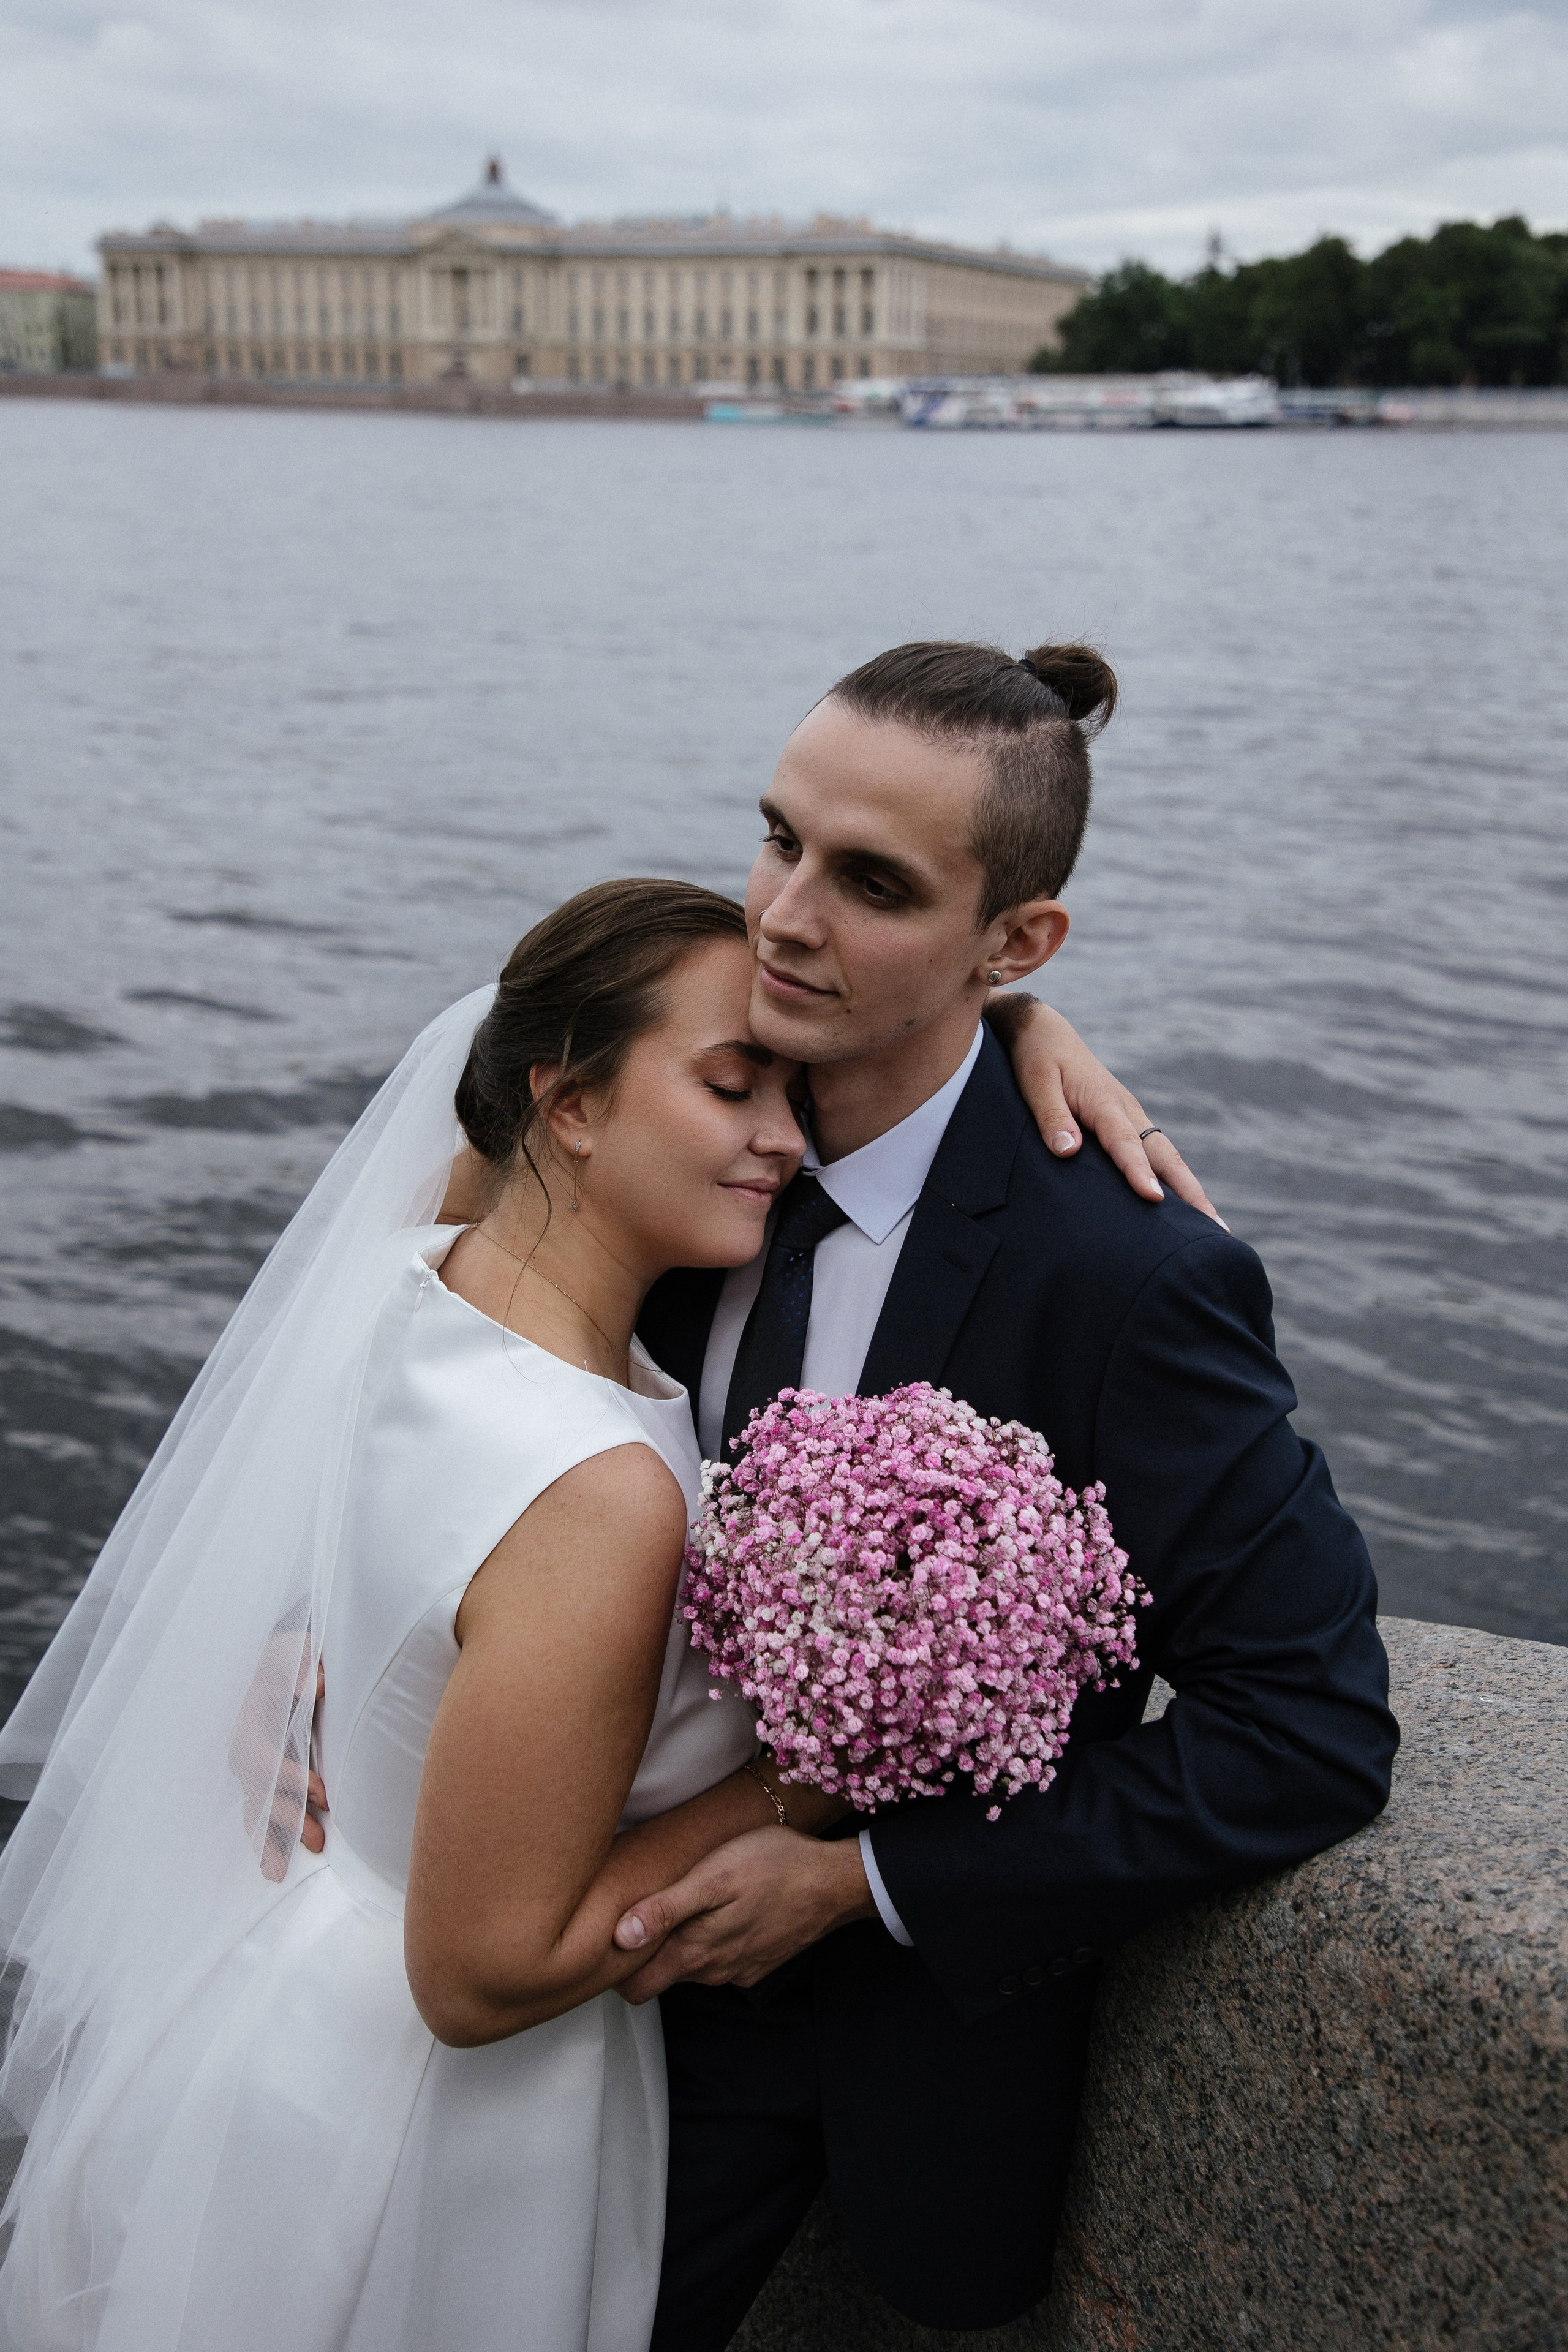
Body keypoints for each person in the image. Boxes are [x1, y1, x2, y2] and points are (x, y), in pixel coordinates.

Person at [0, 848, 1171, 2349]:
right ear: (565, 1102)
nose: (787, 1143)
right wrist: (796, 1790)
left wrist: (1006, 1032)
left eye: (785, 1095)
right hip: (435, 2128)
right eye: (733, 1089)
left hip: (273, 2003)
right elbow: (481, 1975)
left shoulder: (423, 1269)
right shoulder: (599, 1494)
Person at [611, 639, 1399, 2345]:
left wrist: (863, 1882)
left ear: (1019, 942)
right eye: (778, 839)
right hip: (565, 1944)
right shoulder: (671, 1113)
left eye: (872, 883)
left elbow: (1310, 1726)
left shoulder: (1130, 1281)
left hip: (876, 2051)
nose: (784, 916)